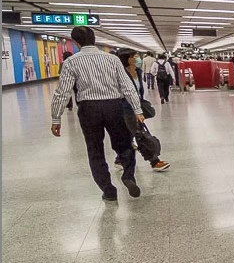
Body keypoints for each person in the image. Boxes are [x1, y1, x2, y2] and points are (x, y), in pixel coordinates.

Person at [49, 26, 144, 201]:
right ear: (94, 39)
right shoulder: (112, 59)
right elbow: (127, 86)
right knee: (124, 145)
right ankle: (128, 176)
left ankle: (108, 191)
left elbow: (62, 92)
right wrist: (137, 109)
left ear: (76, 42)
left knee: (95, 150)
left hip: (88, 109)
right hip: (113, 106)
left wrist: (56, 117)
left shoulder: (71, 62)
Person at [114, 50, 170, 172]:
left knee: (128, 134)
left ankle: (119, 160)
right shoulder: (119, 74)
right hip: (125, 108)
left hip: (136, 106)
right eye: (135, 56)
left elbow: (138, 91)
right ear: (128, 59)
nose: (138, 59)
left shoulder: (138, 72)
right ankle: (154, 161)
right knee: (139, 134)